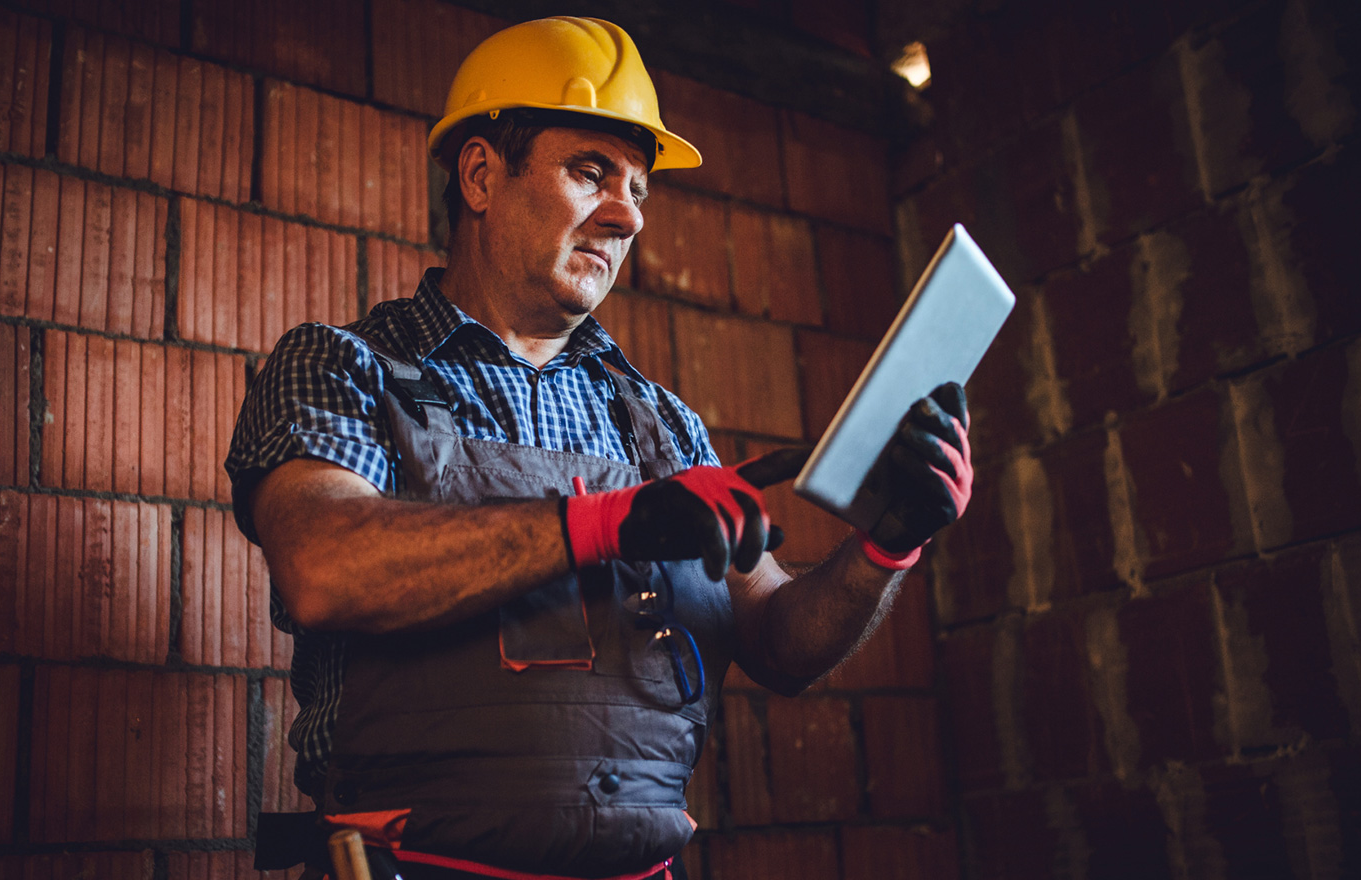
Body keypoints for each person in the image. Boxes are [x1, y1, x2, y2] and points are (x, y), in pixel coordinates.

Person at [227, 16, 974, 880]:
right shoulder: (347, 365)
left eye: (640, 191)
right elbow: (324, 566)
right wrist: (608, 524)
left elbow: (777, 640)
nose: (625, 217)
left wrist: (888, 544)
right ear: (480, 175)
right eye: (591, 173)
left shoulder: (661, 424)